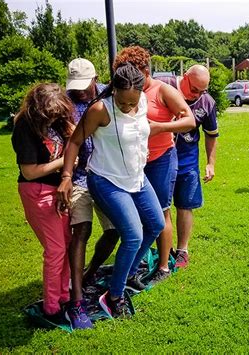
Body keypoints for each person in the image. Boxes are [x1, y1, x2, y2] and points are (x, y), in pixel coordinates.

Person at [57, 62, 165, 319]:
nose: (128, 107)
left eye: (132, 102)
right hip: (106, 180)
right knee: (133, 235)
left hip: (136, 178)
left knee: (155, 225)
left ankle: (123, 272)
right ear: (113, 90)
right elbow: (74, 142)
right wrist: (67, 175)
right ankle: (113, 296)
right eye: (123, 102)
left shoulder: (142, 103)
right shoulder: (99, 109)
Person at [111, 46, 196, 284]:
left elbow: (189, 120)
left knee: (161, 212)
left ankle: (163, 267)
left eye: (135, 73)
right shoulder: (125, 89)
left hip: (160, 159)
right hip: (133, 163)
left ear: (146, 71)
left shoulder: (163, 90)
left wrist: (160, 127)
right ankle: (138, 261)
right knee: (138, 215)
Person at [11, 83, 75, 323]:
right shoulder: (24, 126)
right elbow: (29, 172)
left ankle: (64, 294)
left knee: (67, 244)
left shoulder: (58, 120)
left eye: (60, 112)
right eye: (51, 113)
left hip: (59, 190)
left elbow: (75, 135)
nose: (56, 116)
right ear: (38, 109)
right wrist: (65, 163)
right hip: (37, 191)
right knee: (56, 249)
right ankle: (51, 306)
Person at [64, 58, 120, 329]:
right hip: (78, 179)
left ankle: (89, 274)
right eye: (76, 87)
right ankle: (76, 300)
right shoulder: (64, 103)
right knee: (81, 230)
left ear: (95, 78)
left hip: (105, 175)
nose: (81, 92)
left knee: (114, 231)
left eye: (85, 86)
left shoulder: (109, 95)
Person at [157, 65, 219, 268]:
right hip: (161, 158)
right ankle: (162, 250)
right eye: (195, 90)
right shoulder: (164, 86)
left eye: (203, 90)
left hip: (187, 159)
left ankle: (182, 250)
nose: (198, 95)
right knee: (160, 207)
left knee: (186, 204)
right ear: (185, 78)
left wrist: (210, 163)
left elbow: (211, 135)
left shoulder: (207, 102)